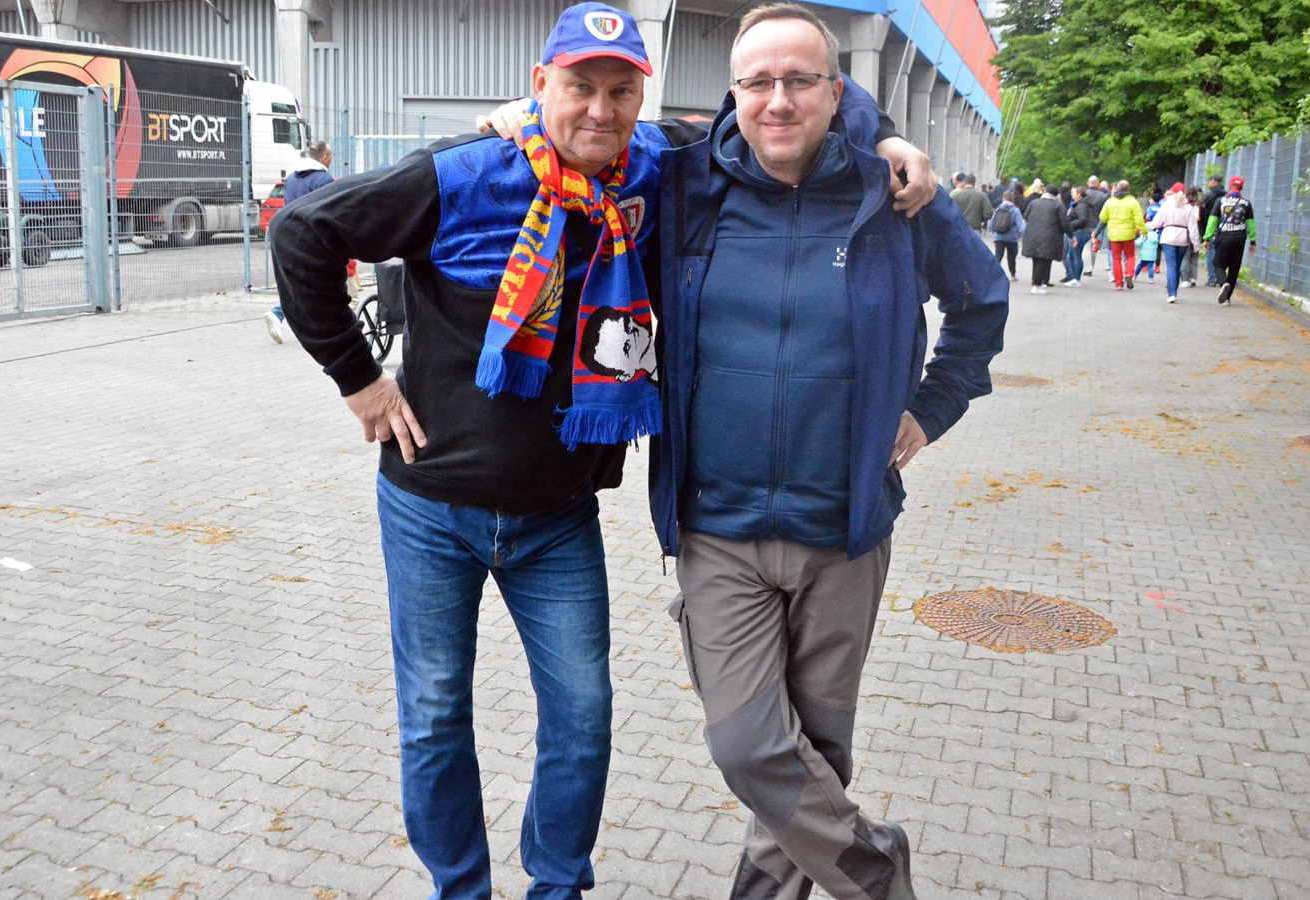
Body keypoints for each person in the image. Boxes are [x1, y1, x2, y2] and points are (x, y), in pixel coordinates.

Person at [273, 3, 940, 896]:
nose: (600, 108)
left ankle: (556, 886)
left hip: (557, 517)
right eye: (578, 86)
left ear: (640, 98)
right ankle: (460, 888)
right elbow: (303, 232)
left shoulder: (658, 170)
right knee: (434, 717)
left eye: (620, 91)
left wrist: (886, 137)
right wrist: (358, 379)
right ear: (539, 85)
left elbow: (779, 100)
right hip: (432, 508)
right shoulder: (465, 172)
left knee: (583, 720)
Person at [652, 5, 1008, 898]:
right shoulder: (683, 185)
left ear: (836, 91)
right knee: (749, 745)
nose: (777, 100)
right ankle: (874, 869)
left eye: (799, 80)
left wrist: (929, 409)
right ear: (733, 93)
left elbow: (982, 303)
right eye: (757, 82)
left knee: (817, 749)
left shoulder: (894, 196)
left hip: (844, 527)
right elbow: (578, 138)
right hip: (718, 527)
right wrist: (513, 121)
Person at [264, 140, 347, 344]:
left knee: (303, 282)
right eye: (331, 156)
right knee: (317, 282)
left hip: (290, 235)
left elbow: (286, 206)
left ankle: (286, 316)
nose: (332, 159)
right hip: (314, 239)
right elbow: (329, 211)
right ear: (325, 158)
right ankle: (279, 313)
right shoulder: (324, 180)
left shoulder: (292, 179)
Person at [1203, 175, 1258, 305]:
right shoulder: (1246, 203)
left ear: (1230, 185)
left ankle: (1223, 284)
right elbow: (1250, 223)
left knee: (1218, 264)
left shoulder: (1221, 201)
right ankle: (1227, 298)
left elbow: (1212, 220)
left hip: (1224, 236)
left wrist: (1207, 237)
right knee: (1234, 268)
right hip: (1240, 238)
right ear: (1241, 187)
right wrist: (1253, 241)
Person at [1150, 182, 1201, 303]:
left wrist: (1149, 226)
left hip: (1168, 236)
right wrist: (1196, 244)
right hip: (1183, 238)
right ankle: (1174, 291)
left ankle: (1172, 293)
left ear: (1172, 192)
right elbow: (1193, 228)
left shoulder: (1166, 205)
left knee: (1171, 265)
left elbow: (1156, 223)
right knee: (1177, 265)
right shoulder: (1188, 207)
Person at [1022, 183, 1073, 294]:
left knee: (1036, 259)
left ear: (1045, 191)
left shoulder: (1034, 202)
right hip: (1050, 237)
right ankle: (1037, 285)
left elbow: (1025, 216)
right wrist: (1071, 236)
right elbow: (1065, 223)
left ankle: (1036, 282)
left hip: (1032, 234)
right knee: (1043, 261)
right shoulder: (1058, 205)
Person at [1100, 180, 1146, 290]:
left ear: (1117, 189)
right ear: (1128, 188)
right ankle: (1129, 274)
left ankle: (1119, 284)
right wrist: (1144, 231)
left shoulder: (1110, 202)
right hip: (1128, 234)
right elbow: (1139, 219)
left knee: (1116, 259)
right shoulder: (1133, 202)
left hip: (1114, 235)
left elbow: (1102, 217)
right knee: (1130, 256)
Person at [990, 189, 1025, 281]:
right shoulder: (1015, 210)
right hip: (1012, 238)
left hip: (998, 236)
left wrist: (994, 233)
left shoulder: (998, 209)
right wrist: (1022, 235)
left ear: (1003, 198)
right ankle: (1012, 274)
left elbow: (992, 223)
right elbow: (1021, 225)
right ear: (1013, 199)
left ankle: (993, 274)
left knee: (998, 255)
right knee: (1011, 257)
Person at [1062, 184, 1093, 286]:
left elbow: (1082, 219)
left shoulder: (1081, 206)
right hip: (1080, 231)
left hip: (1080, 231)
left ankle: (1076, 279)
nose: (1071, 195)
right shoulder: (1079, 204)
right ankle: (1074, 278)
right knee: (1071, 255)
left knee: (1076, 255)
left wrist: (1069, 225)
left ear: (1079, 194)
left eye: (1073, 193)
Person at [1199, 174, 1227, 286]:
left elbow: (1201, 213)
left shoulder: (1208, 195)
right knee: (1221, 253)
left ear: (1214, 181)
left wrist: (1204, 232)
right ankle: (1221, 277)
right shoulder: (1226, 195)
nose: (1208, 183)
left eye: (1209, 181)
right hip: (1225, 228)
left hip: (1210, 227)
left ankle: (1212, 278)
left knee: (1210, 252)